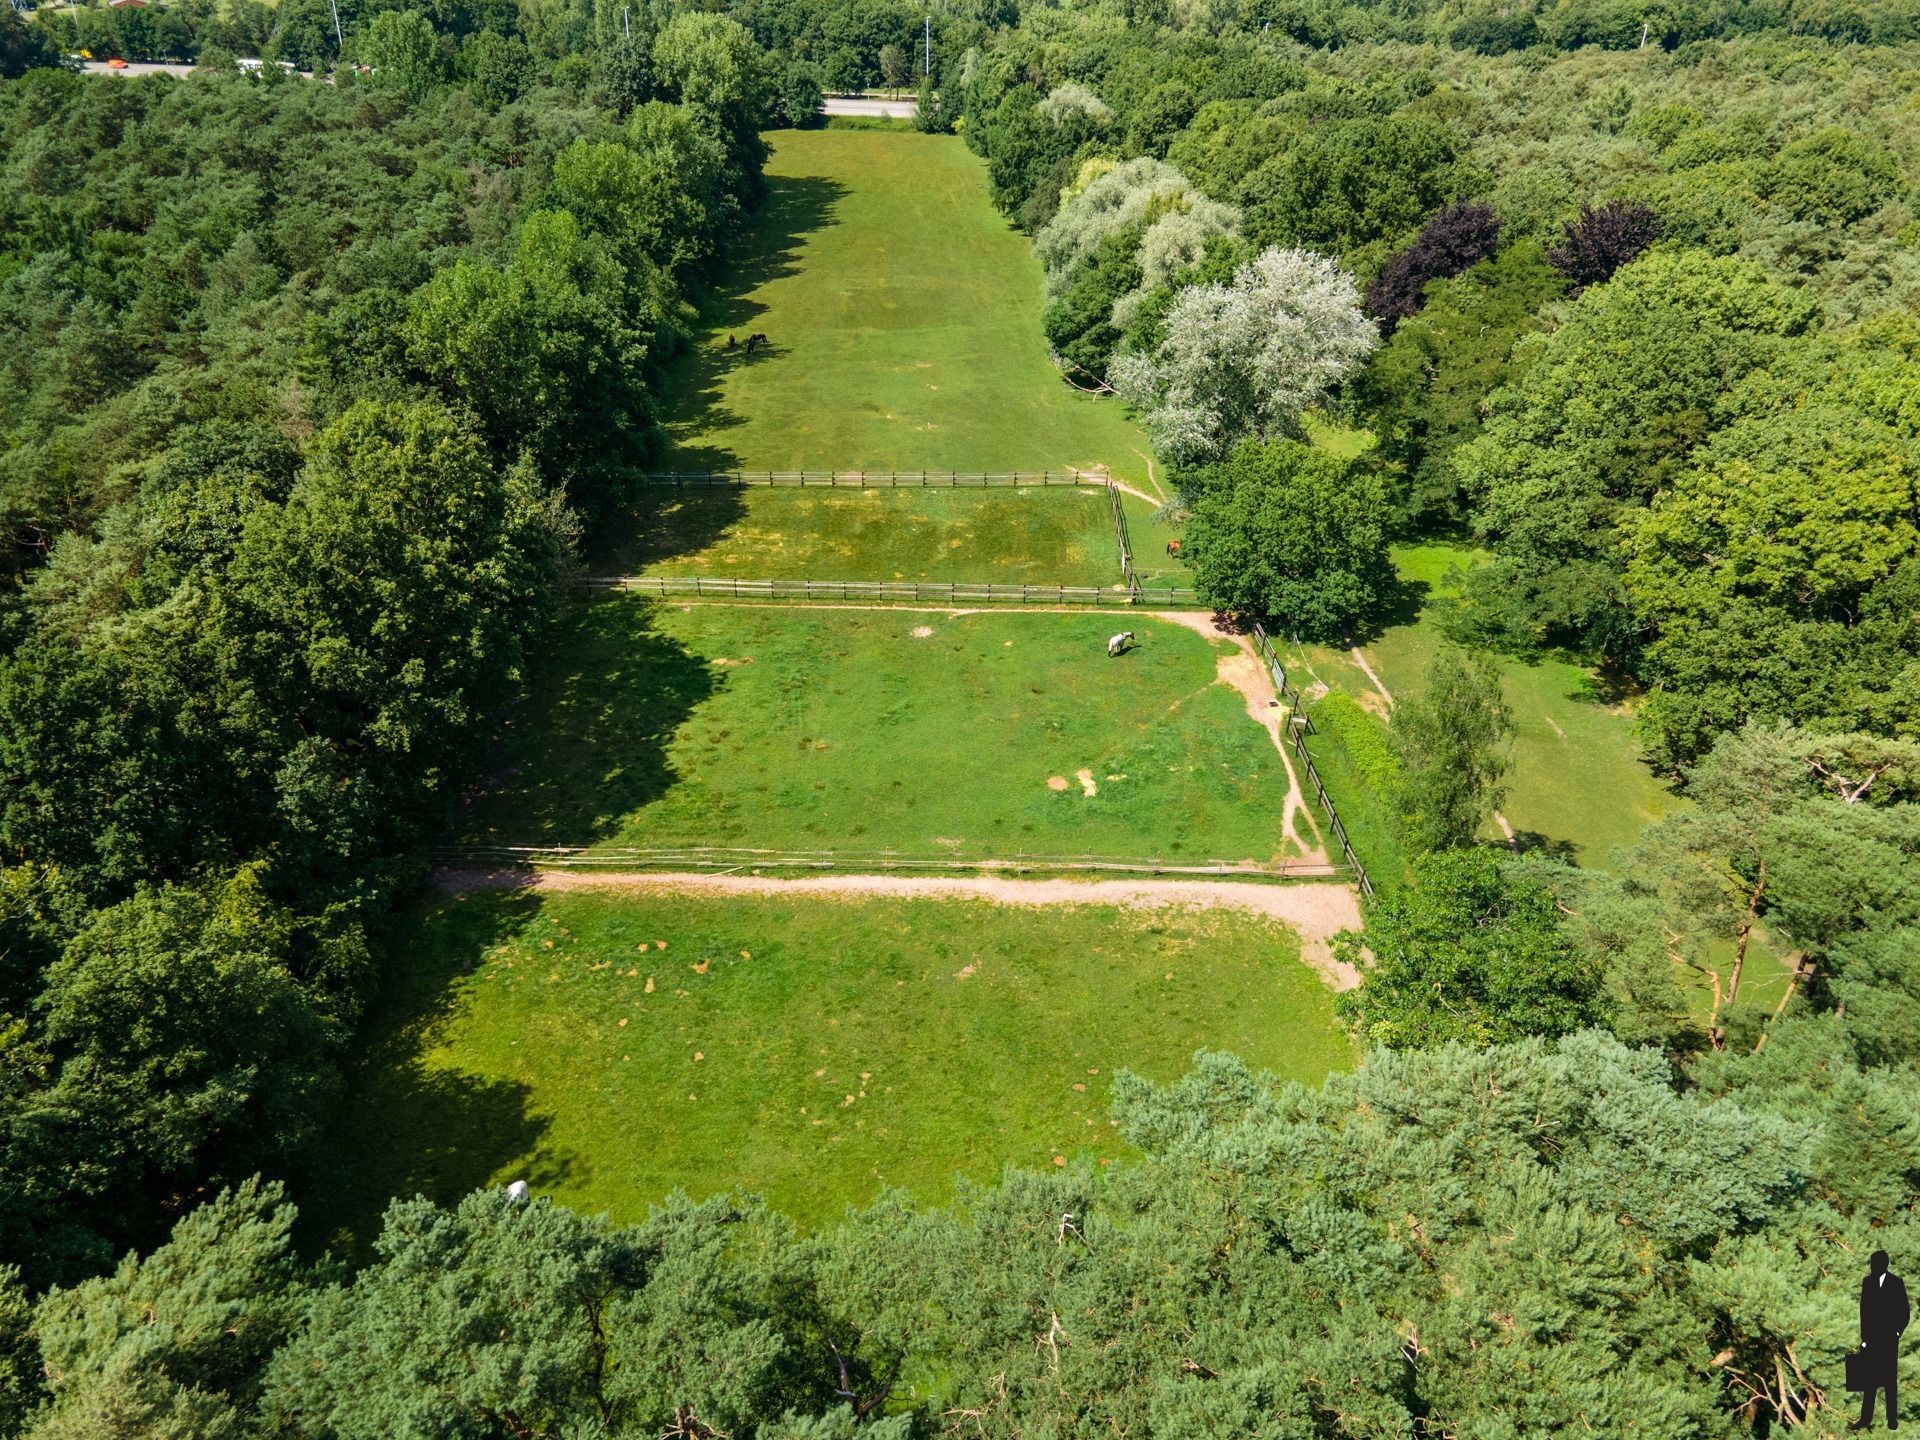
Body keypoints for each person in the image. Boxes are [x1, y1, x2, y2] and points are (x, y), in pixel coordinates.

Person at [1854, 1250, 1909, 1432]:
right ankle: (1865, 1419)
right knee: (1869, 1380)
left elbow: (1904, 1312)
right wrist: (1864, 1338)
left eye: (1875, 1263)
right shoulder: (1867, 1282)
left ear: (1884, 1264)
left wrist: (1896, 1332)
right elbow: (1864, 1312)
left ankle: (1892, 1419)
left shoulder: (1896, 1283)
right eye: (1871, 1263)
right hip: (1871, 1339)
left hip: (1888, 1340)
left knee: (1889, 1380)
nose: (1872, 1266)